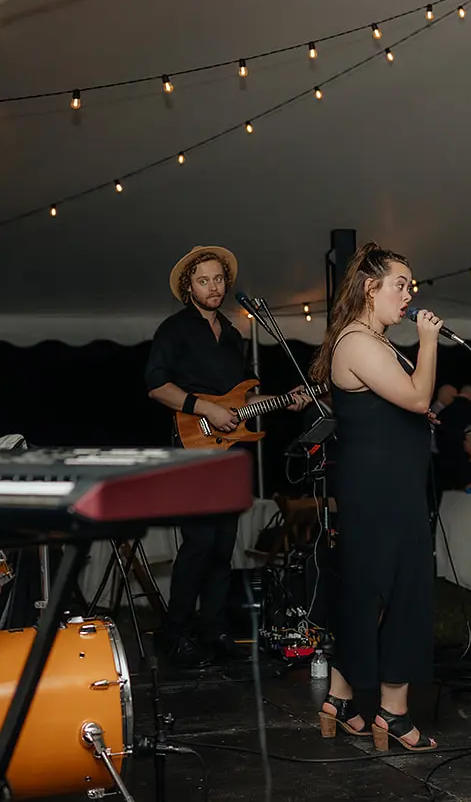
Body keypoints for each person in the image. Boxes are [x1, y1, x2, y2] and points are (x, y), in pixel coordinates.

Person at [145, 245, 310, 668]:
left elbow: (243, 401)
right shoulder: (174, 329)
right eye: (204, 280)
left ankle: (214, 631)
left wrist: (284, 399)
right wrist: (205, 409)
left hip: (229, 452)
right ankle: (174, 635)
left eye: (218, 279)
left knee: (223, 545)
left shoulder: (234, 335)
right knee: (198, 544)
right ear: (189, 287)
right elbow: (157, 386)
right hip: (192, 449)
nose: (213, 287)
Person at [307, 242, 441, 752]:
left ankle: (340, 702)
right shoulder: (359, 342)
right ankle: (393, 713)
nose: (409, 295)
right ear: (370, 287)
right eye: (400, 285)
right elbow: (418, 396)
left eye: (411, 286)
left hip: (384, 486)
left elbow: (394, 408)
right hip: (382, 491)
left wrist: (411, 417)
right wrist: (429, 341)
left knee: (368, 592)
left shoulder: (371, 341)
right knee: (402, 591)